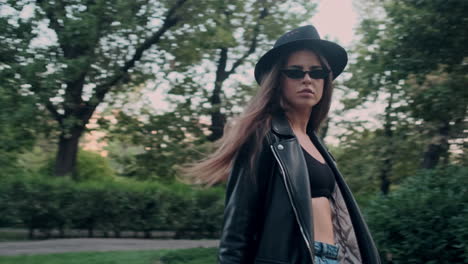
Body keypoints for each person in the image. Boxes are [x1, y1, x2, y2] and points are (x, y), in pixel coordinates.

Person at [186, 25, 380, 264]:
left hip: (335, 257)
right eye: (296, 72)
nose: (308, 79)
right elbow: (237, 232)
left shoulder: (315, 143)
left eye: (317, 72)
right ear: (278, 80)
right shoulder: (263, 137)